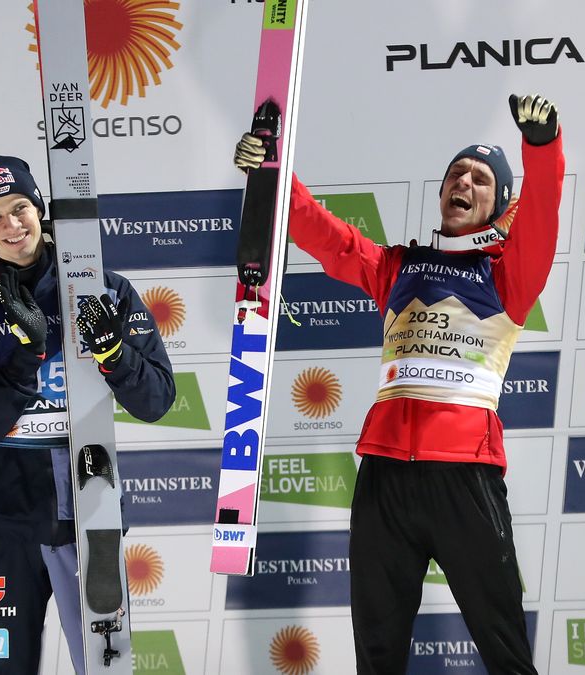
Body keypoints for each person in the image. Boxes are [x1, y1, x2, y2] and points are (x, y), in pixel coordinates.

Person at [234, 94, 563, 674]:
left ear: (500, 204)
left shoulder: (510, 275)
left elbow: (542, 216)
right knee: (378, 652)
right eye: (456, 174)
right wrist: (272, 173)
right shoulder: (398, 265)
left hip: (465, 476)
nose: (464, 182)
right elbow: (329, 239)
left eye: (481, 179)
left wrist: (542, 149)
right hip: (384, 475)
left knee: (505, 649)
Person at [0, 155, 175, 674]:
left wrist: (113, 352)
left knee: (105, 668)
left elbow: (156, 400)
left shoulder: (104, 291)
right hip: (2, 524)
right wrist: (25, 358)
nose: (10, 224)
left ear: (39, 210)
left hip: (89, 518)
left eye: (18, 207)